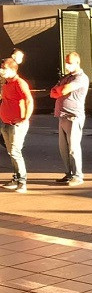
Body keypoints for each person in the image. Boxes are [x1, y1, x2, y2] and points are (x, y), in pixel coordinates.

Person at [50, 52, 89, 186]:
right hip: (62, 115)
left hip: (74, 117)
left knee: (73, 147)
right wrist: (59, 90)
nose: (67, 65)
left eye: (70, 62)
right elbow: (53, 91)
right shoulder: (66, 77)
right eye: (66, 62)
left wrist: (60, 90)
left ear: (77, 62)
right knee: (63, 148)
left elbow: (65, 89)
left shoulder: (81, 78)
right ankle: (69, 173)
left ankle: (77, 175)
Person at [0, 58, 33, 193]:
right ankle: (16, 178)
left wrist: (25, 118)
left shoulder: (19, 83)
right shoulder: (6, 83)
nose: (1, 71)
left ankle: (22, 181)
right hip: (6, 123)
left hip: (16, 124)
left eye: (4, 68)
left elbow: (28, 100)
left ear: (12, 70)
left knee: (15, 151)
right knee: (11, 152)